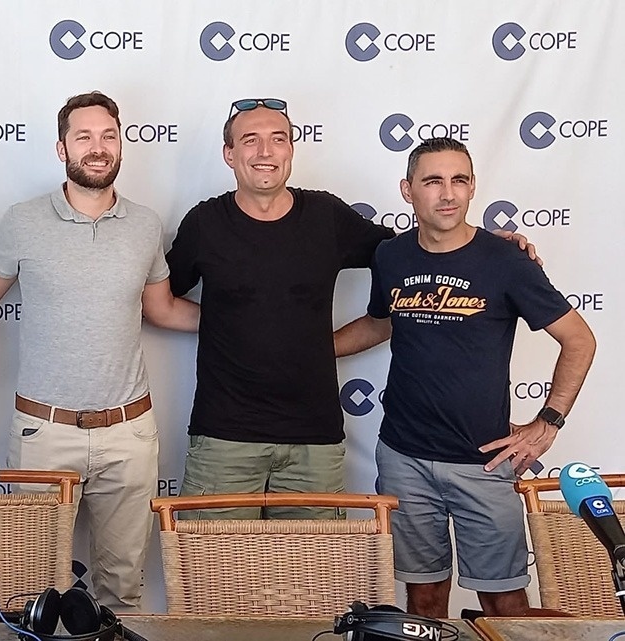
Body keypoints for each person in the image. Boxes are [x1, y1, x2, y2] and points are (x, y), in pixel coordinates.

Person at [167, 99, 536, 520]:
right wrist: (227, 324)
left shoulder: (326, 216)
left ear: (291, 149)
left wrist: (484, 244)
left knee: (312, 578)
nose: (265, 152)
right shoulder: (204, 223)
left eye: (278, 139)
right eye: (250, 140)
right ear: (229, 154)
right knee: (213, 574)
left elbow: (419, 251)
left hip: (315, 441)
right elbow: (159, 302)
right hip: (222, 438)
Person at [334, 137, 596, 617]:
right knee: (424, 598)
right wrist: (307, 350)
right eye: (433, 181)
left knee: (504, 602)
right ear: (408, 189)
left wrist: (549, 422)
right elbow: (381, 321)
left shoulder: (506, 261)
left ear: (473, 187)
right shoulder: (391, 256)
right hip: (403, 457)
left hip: (484, 462)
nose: (448, 193)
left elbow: (580, 340)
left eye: (459, 180)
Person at [0, 91, 198, 612]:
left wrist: (244, 324)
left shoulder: (144, 224)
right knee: (30, 589)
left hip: (129, 433)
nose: (98, 147)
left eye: (108, 136)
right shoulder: (23, 220)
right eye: (84, 137)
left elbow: (161, 309)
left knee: (123, 591)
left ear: (121, 144)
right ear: (61, 147)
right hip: (43, 433)